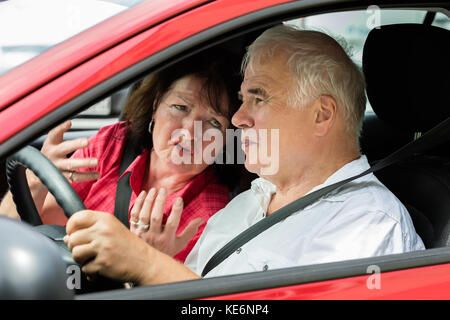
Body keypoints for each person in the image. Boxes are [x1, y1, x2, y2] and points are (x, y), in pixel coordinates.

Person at [63, 25, 425, 286]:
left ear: (322, 115)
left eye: (259, 97)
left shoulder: (366, 226)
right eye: (243, 98)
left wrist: (146, 264)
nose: (237, 118)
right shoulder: (247, 203)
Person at [0, 49, 242, 263]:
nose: (190, 132)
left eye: (213, 122)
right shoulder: (113, 145)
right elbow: (20, 228)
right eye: (180, 107)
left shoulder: (211, 215)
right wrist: (34, 182)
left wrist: (149, 262)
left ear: (226, 140)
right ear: (156, 107)